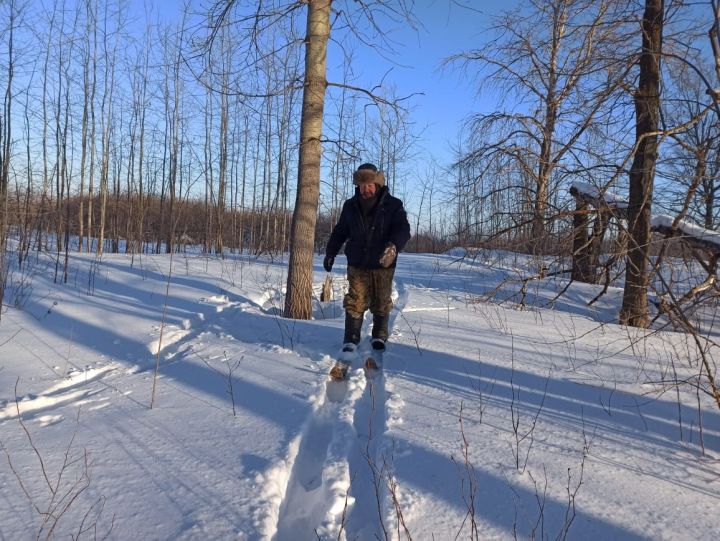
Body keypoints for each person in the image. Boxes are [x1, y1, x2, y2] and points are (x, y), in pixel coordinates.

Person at [323, 163, 411, 357]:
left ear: (377, 184)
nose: (366, 189)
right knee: (355, 300)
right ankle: (351, 338)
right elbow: (340, 231)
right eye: (362, 186)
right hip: (357, 263)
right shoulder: (350, 205)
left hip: (383, 263)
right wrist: (331, 252)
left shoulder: (393, 205)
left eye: (370, 184)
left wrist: (393, 246)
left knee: (381, 300)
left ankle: (379, 335)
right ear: (358, 186)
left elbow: (403, 230)